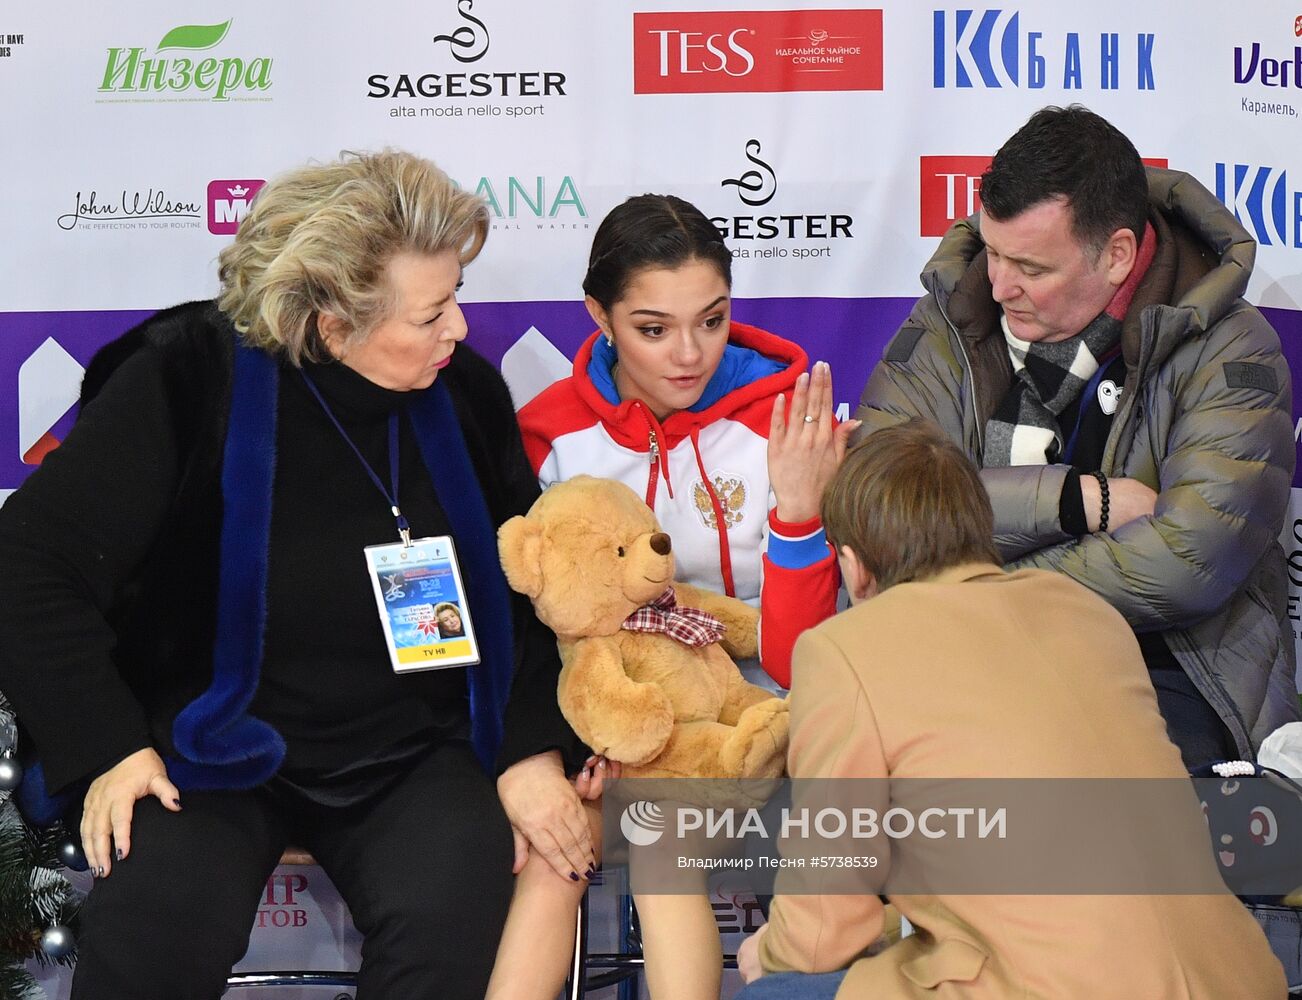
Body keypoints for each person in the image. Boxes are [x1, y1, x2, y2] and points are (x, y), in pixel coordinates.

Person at [0, 150, 594, 999]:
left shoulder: (462, 393)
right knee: (154, 930)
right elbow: (29, 562)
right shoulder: (184, 375)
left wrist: (532, 748)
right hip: (210, 744)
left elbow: (525, 580)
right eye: (430, 315)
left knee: (454, 924)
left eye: (454, 298)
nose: (458, 330)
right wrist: (109, 749)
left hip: (414, 748)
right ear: (330, 325)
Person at [735, 420, 1286, 999]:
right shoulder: (1090, 614)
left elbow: (822, 927)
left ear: (853, 565)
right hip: (1236, 977)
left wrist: (768, 954)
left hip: (1052, 987)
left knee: (774, 989)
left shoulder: (844, 648)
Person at [855, 105, 1298, 772]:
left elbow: (1186, 560)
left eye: (1030, 267)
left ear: (1117, 255)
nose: (1000, 285)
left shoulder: (1234, 351)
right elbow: (881, 500)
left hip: (1168, 664)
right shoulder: (955, 314)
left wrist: (973, 592)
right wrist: (1074, 502)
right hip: (960, 656)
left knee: (1105, 828)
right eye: (993, 250)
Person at [491, 195, 853, 999]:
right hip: (609, 731)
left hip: (759, 726)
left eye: (713, 319)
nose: (689, 353)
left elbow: (802, 660)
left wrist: (798, 516)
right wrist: (577, 743)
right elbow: (534, 626)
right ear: (600, 316)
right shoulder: (547, 434)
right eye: (653, 328)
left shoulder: (785, 425)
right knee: (555, 854)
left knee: (660, 838)